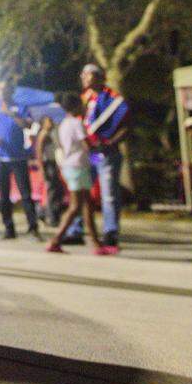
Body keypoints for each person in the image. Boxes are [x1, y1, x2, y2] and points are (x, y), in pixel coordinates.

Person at [64, 64, 129, 248]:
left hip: (107, 153)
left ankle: (110, 232)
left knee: (109, 194)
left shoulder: (113, 99)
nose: (84, 77)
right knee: (81, 193)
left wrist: (110, 143)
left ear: (100, 76)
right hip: (87, 154)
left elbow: (125, 126)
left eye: (88, 74)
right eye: (82, 74)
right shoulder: (83, 99)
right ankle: (76, 230)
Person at [46, 94, 114, 254]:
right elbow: (87, 144)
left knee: (86, 205)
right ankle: (56, 240)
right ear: (76, 106)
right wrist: (100, 148)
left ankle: (96, 243)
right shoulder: (76, 124)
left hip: (70, 166)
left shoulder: (63, 124)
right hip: (78, 167)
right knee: (76, 206)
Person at [0, 82, 40, 240]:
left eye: (4, 89)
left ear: (11, 91)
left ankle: (33, 227)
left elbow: (27, 125)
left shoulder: (21, 108)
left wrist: (10, 113)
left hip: (18, 157)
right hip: (0, 158)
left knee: (25, 194)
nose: (1, 92)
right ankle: (9, 228)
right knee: (4, 195)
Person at [34, 113, 65, 226]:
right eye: (48, 121)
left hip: (53, 163)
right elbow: (39, 152)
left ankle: (44, 213)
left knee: (56, 190)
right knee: (52, 190)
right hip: (48, 164)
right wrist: (42, 168)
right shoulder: (43, 135)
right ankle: (50, 216)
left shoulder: (52, 133)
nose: (50, 123)